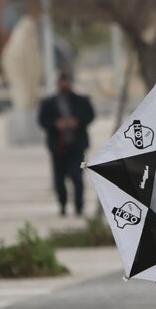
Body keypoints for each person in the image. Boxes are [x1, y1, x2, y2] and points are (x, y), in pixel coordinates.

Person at [37, 72, 95, 216]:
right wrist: (56, 124)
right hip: (58, 148)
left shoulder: (81, 100)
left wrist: (78, 122)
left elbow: (90, 115)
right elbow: (42, 120)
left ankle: (79, 207)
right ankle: (62, 205)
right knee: (59, 180)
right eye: (62, 82)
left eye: (66, 81)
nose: (64, 84)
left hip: (77, 147)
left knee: (77, 177)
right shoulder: (49, 103)